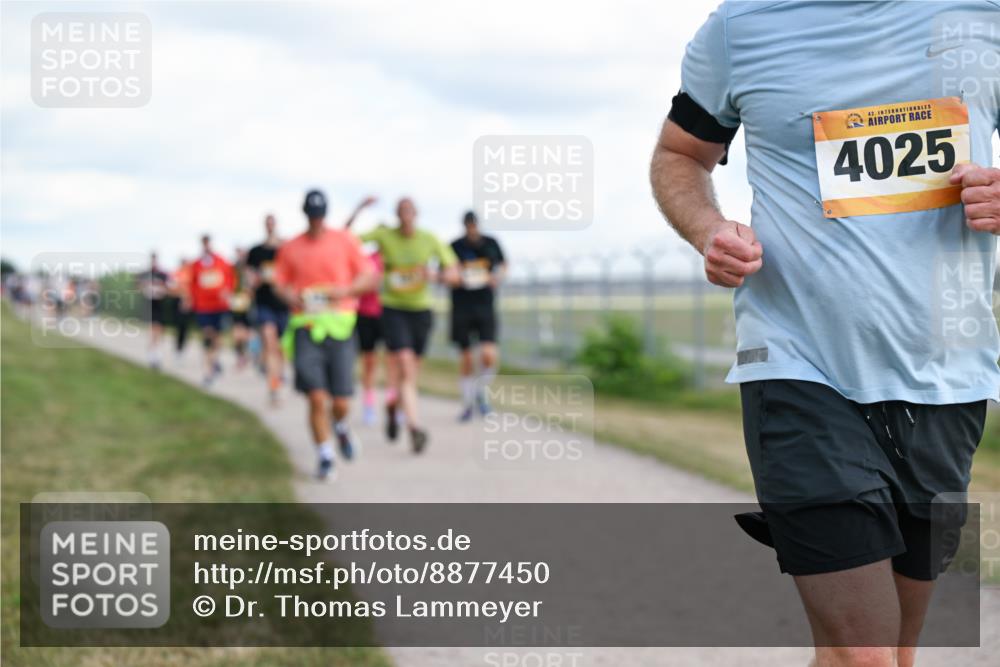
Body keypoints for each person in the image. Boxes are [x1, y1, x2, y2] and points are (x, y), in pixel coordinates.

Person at [649, 3, 1000, 666]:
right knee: (861, 653)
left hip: (945, 374)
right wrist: (708, 229)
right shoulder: (740, 28)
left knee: (895, 651)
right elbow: (679, 153)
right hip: (796, 362)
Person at [273, 189, 376, 481]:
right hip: (306, 327)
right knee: (317, 398)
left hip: (340, 325)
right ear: (305, 214)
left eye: (319, 215)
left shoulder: (344, 241)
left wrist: (346, 291)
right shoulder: (291, 247)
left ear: (325, 215)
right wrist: (290, 296)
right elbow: (279, 285)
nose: (315, 220)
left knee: (340, 402)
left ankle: (341, 428)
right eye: (311, 215)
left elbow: (368, 276)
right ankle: (325, 455)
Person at [356, 197, 460, 453]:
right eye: (401, 211)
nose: (406, 216)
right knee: (404, 365)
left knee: (410, 374)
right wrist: (358, 209)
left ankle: (393, 408)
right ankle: (414, 428)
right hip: (393, 309)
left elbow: (454, 273)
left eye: (410, 211)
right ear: (396, 215)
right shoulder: (385, 236)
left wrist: (434, 275)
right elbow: (349, 240)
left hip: (421, 311)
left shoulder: (429, 239)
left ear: (416, 214)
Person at [449, 210, 506, 421]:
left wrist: (496, 277)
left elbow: (502, 265)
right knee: (466, 358)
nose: (471, 228)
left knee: (488, 355)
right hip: (462, 306)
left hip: (485, 306)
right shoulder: (454, 246)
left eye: (474, 224)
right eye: (468, 225)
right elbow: (447, 272)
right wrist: (457, 278)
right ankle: (467, 403)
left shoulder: (491, 243)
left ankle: (481, 392)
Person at [247, 214, 290, 405]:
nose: (270, 226)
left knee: (280, 348)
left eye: (273, 223)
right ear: (265, 226)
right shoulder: (255, 252)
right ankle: (273, 386)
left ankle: (279, 375)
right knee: (270, 341)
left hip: (284, 304)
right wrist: (255, 281)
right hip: (264, 303)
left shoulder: (286, 250)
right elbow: (249, 279)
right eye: (268, 223)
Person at [189, 234, 234, 387]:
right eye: (204, 243)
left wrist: (227, 291)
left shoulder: (221, 261)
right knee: (208, 336)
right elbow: (192, 284)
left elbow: (230, 278)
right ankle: (208, 372)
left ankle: (214, 361)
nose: (206, 246)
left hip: (219, 306)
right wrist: (191, 300)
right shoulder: (196, 264)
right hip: (203, 306)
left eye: (208, 243)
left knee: (217, 338)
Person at [138, 252, 170, 370]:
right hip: (149, 304)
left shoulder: (162, 274)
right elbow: (139, 286)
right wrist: (147, 289)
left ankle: (154, 351)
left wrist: (160, 290)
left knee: (159, 329)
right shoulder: (146, 274)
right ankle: (153, 353)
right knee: (154, 328)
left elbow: (167, 288)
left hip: (159, 304)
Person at [229, 247, 253, 370]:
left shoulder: (250, 269)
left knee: (247, 334)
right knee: (237, 335)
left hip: (248, 304)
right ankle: (241, 356)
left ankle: (248, 355)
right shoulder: (233, 270)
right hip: (237, 304)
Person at [170, 257, 194, 361]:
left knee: (185, 328)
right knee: (179, 327)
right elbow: (171, 288)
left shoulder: (191, 274)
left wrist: (189, 300)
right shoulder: (176, 273)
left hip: (188, 303)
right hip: (178, 301)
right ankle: (178, 349)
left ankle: (181, 349)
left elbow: (193, 289)